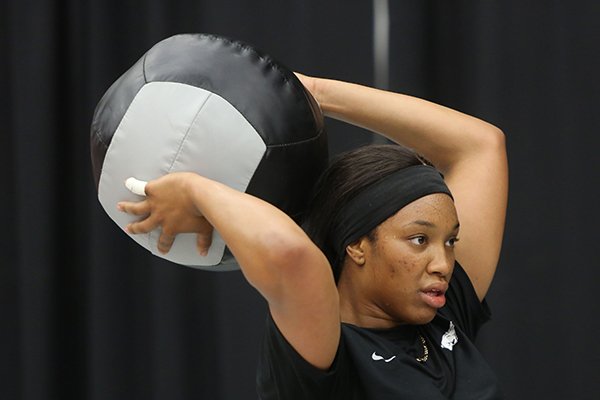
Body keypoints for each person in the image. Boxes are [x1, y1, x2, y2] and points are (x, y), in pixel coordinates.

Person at [117, 73, 508, 399]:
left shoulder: (444, 315)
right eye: (419, 240)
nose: (443, 263)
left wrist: (312, 93)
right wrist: (194, 189)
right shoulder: (328, 352)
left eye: (450, 241)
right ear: (356, 244)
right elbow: (290, 255)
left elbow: (480, 145)